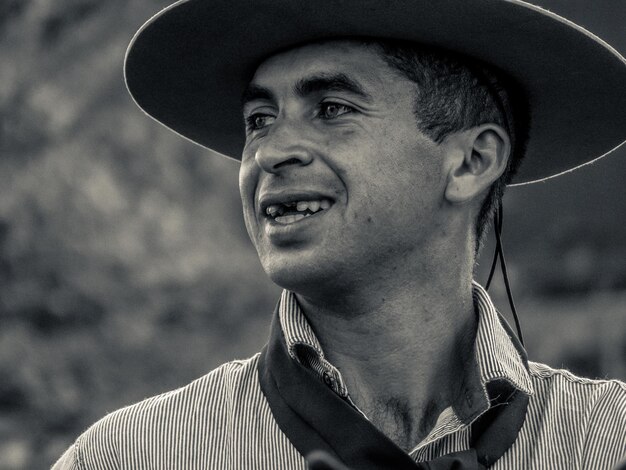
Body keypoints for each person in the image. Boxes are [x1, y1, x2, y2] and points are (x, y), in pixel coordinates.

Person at [53, 0, 626, 468]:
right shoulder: (132, 455)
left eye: (331, 107)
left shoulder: (607, 443)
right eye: (259, 120)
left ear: (471, 162)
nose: (270, 153)